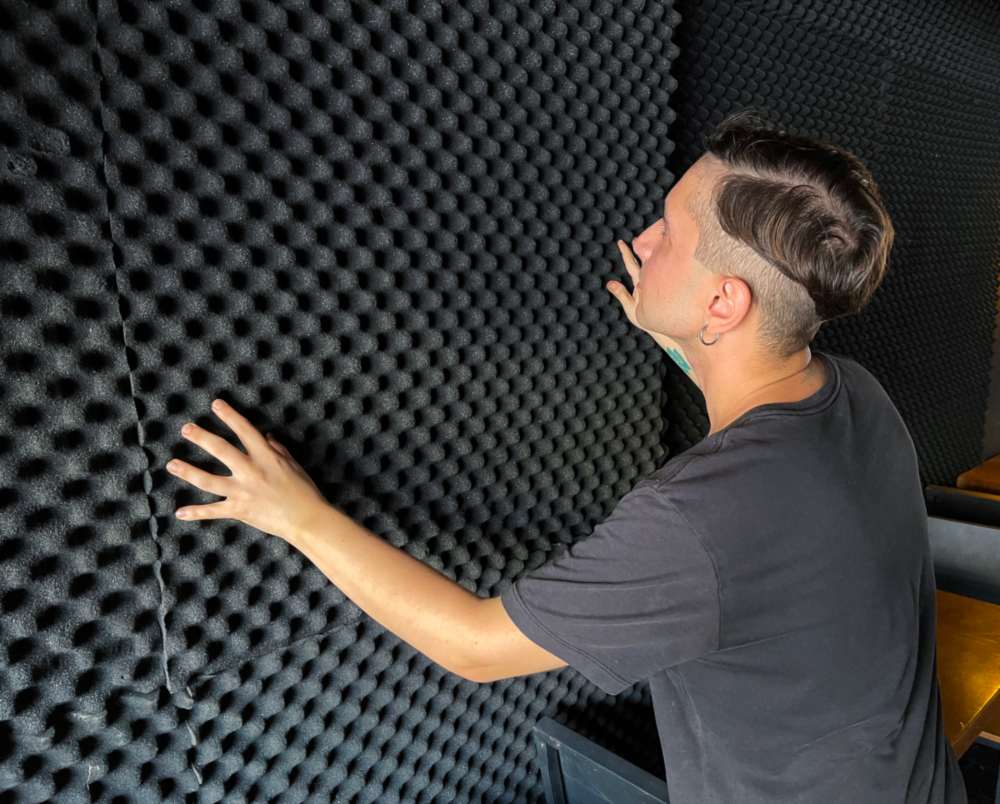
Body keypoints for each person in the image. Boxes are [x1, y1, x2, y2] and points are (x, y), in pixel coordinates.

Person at [168, 110, 967, 802]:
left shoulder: (695, 521)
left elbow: (475, 646)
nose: (643, 240)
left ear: (725, 302)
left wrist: (297, 516)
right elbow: (754, 430)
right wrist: (685, 340)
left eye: (669, 232)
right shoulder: (856, 395)